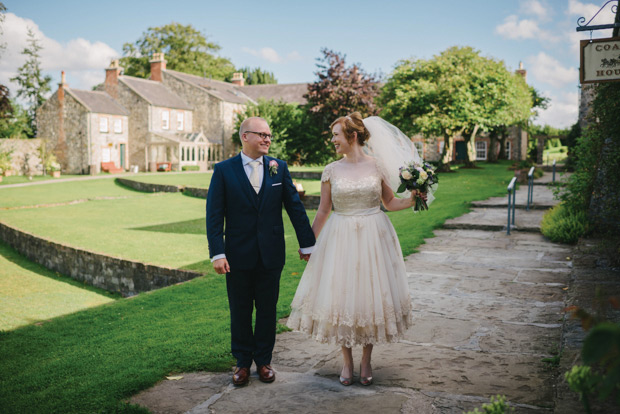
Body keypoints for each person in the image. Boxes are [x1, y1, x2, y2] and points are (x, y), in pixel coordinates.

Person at [287, 112, 427, 386]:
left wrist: (411, 200)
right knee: (342, 297)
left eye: (336, 135)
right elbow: (324, 209)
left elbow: (389, 202)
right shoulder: (331, 170)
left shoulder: (377, 167)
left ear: (352, 136)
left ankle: (366, 359)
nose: (333, 141)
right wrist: (309, 242)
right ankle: (347, 361)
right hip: (340, 237)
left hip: (374, 236)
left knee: (369, 297)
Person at [206, 117, 315, 386]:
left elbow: (295, 208)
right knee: (240, 310)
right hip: (237, 255)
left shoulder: (279, 168)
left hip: (271, 253)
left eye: (269, 135)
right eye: (262, 134)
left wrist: (308, 244)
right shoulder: (223, 170)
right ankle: (242, 363)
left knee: (267, 310)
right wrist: (217, 253)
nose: (267, 139)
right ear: (245, 137)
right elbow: (214, 215)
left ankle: (264, 362)